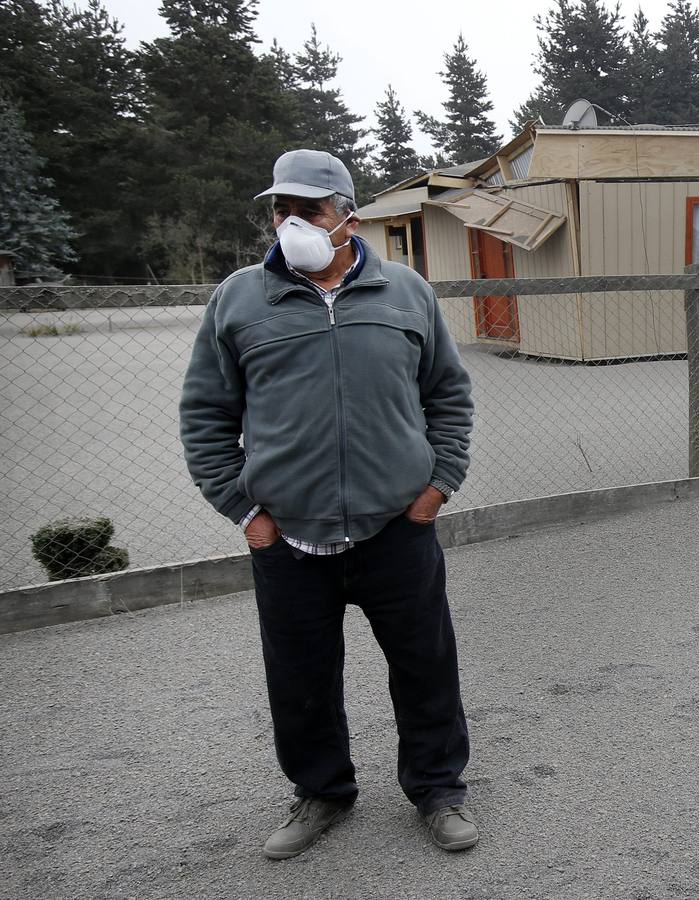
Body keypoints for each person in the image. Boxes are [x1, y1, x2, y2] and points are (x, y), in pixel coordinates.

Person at [179, 149, 478, 859]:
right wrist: (245, 514)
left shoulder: (407, 293)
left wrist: (437, 489)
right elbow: (205, 415)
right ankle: (321, 792)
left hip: (396, 529)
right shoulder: (240, 298)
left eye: (307, 210)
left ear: (346, 214)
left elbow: (449, 397)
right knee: (301, 674)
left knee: (425, 664)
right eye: (279, 209)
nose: (290, 222)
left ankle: (438, 789)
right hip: (289, 539)